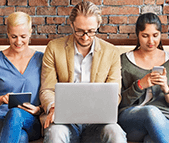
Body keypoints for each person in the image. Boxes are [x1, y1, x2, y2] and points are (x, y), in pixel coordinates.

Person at [39, 1, 126, 142]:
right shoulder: (54, 48)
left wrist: (104, 108)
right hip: (64, 121)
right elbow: (47, 89)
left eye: (91, 31)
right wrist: (54, 108)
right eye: (79, 31)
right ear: (72, 24)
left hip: (98, 122)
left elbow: (115, 93)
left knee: (115, 132)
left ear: (98, 25)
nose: (85, 37)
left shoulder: (111, 52)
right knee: (55, 133)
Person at [118, 13, 169, 143]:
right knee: (151, 111)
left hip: (168, 119)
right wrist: (140, 85)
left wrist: (166, 89)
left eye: (155, 35)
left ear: (160, 34)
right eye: (145, 36)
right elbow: (118, 102)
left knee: (151, 140)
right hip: (133, 119)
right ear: (137, 35)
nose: (151, 41)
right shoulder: (124, 61)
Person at [0, 12, 43, 143]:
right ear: (7, 33)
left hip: (30, 120)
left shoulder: (41, 60)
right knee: (21, 138)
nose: (18, 42)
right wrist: (2, 99)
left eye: (23, 36)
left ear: (30, 33)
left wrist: (39, 109)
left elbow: (51, 93)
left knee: (15, 113)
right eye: (14, 36)